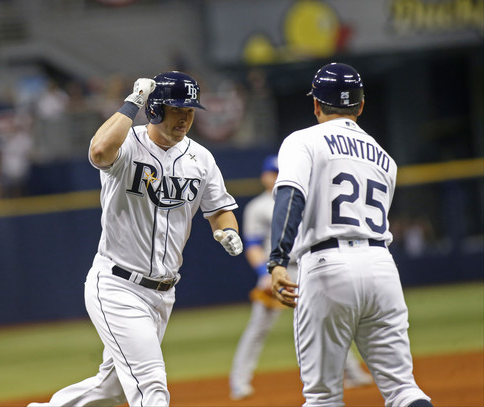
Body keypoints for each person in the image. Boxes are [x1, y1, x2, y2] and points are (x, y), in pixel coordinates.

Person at [28, 71, 243, 407]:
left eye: (190, 111)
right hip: (118, 287)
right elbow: (99, 151)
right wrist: (133, 102)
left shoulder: (201, 158)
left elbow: (219, 209)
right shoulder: (128, 144)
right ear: (155, 110)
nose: (185, 118)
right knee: (151, 388)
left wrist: (227, 230)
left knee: (110, 389)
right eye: (177, 109)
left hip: (163, 293)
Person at [267, 62, 433, 407]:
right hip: (381, 266)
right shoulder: (385, 158)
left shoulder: (303, 140)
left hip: (328, 265)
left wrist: (278, 259)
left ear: (316, 105)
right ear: (360, 105)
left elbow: (290, 195)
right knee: (403, 389)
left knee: (323, 396)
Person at [228, 155, 372, 400]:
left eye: (278, 172)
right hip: (276, 271)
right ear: (264, 176)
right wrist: (264, 274)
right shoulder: (257, 207)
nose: (273, 177)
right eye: (271, 172)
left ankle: (352, 372)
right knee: (258, 328)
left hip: (307, 266)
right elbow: (252, 245)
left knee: (326, 321)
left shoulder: (301, 199)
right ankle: (239, 382)